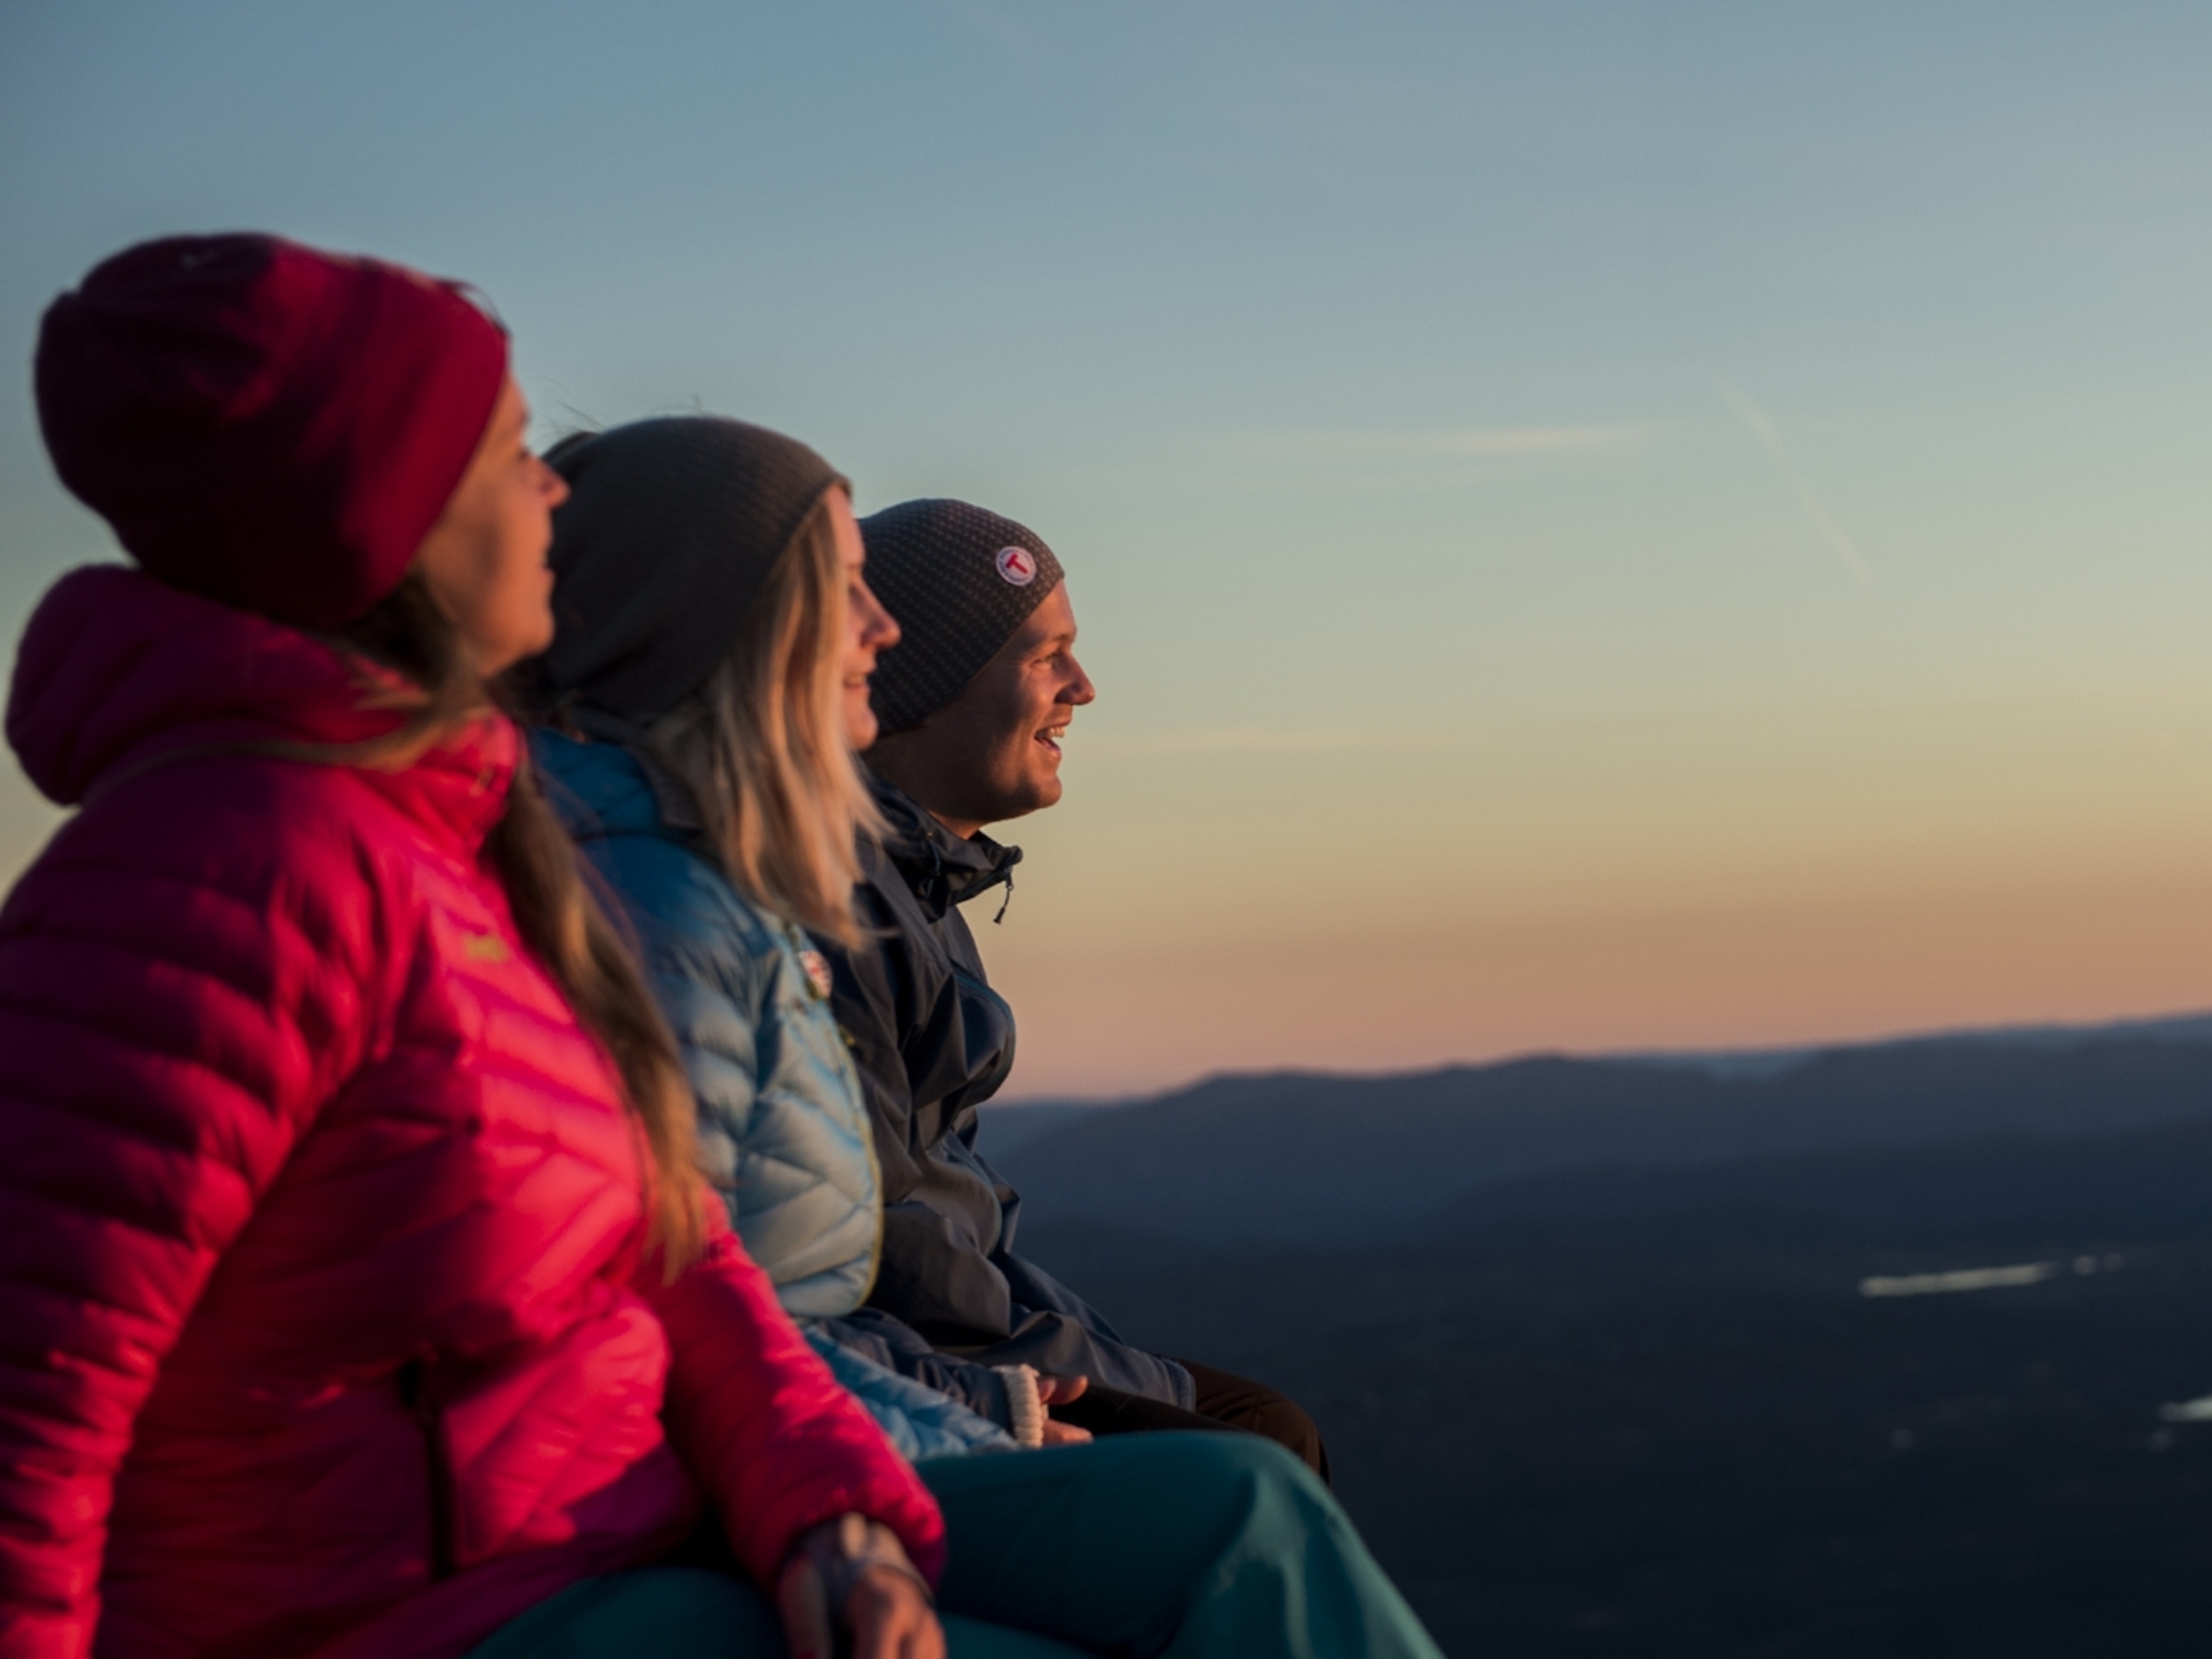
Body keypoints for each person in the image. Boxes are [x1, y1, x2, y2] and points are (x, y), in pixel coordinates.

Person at [0, 234, 946, 1659]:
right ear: (394, 514)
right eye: (512, 452)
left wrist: (827, 1521)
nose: (556, 490)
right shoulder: (226, 876)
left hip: (610, 1560)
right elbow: (33, 1409)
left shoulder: (447, 835)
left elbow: (670, 1250)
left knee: (1229, 1507)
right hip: (454, 1616)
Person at [514, 412, 1444, 1659]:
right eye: (1044, 653)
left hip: (836, 1412)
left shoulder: (824, 882)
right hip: (829, 1418)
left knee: (1253, 1452)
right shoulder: (739, 903)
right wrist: (992, 1406)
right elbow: (814, 1274)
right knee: (1246, 1473)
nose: (1086, 687)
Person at [819, 499, 1328, 1475]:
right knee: (1260, 1452)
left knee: (1266, 1425)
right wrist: (1079, 1368)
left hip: (970, 1341)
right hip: (933, 1370)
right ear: (923, 684)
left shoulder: (919, 890)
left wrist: (1108, 1357)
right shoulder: (850, 908)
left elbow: (960, 1221)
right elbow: (899, 1254)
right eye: (1043, 654)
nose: (1083, 689)